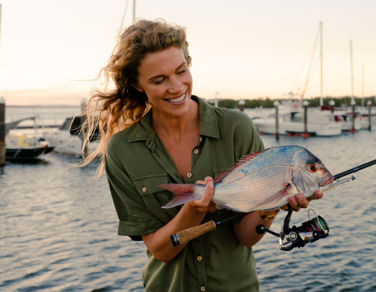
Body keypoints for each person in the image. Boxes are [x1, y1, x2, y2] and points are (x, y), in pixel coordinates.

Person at [83, 19, 323, 292]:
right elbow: (161, 251)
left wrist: (276, 203)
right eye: (159, 80)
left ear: (188, 63)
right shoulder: (122, 150)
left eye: (181, 71)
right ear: (138, 85)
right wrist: (193, 210)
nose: (176, 87)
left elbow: (246, 237)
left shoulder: (237, 128)